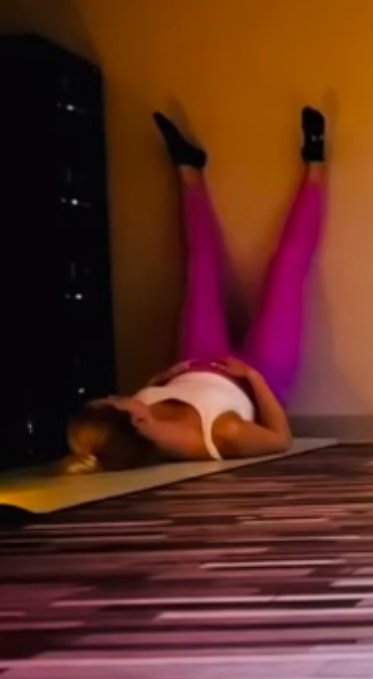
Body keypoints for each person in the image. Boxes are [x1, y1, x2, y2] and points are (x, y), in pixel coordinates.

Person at [63, 107, 328, 473]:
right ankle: (315, 162)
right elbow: (281, 439)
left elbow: (148, 400)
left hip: (198, 356)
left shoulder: (138, 420)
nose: (116, 395)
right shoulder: (223, 434)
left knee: (200, 266)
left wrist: (163, 379)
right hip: (261, 373)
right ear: (138, 422)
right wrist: (251, 377)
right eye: (114, 401)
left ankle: (189, 170)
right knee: (288, 267)